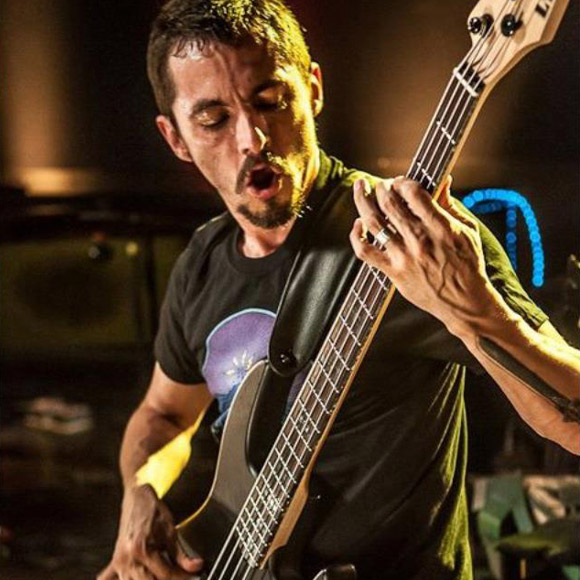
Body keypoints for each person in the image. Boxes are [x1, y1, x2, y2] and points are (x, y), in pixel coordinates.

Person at [98, 1, 580, 579]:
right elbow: (164, 413)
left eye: (270, 101)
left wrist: (472, 309)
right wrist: (141, 488)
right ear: (175, 138)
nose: (252, 138)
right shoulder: (202, 263)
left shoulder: (415, 240)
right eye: (213, 119)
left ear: (313, 89)